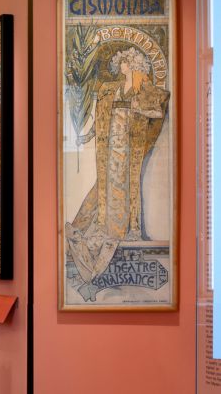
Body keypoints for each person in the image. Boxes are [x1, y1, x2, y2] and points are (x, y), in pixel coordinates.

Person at [65, 47, 170, 301]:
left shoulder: (143, 90)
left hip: (129, 151)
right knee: (103, 189)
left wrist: (138, 108)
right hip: (111, 148)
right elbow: (101, 117)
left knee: (126, 190)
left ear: (133, 66)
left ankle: (124, 229)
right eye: (121, 63)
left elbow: (158, 110)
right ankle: (101, 227)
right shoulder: (111, 89)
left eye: (124, 63)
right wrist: (86, 136)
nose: (120, 66)